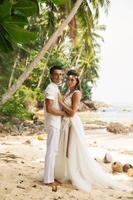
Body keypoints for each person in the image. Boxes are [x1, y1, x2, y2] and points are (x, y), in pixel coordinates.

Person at [54, 69, 132, 193]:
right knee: (66, 150)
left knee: (72, 150)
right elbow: (63, 106)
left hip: (73, 124)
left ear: (77, 81)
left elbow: (73, 112)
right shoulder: (69, 91)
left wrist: (60, 102)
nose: (70, 81)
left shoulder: (77, 93)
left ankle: (77, 174)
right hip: (67, 123)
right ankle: (69, 173)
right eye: (68, 79)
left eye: (72, 79)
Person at [44, 65, 66, 191]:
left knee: (54, 151)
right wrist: (63, 114)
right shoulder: (51, 88)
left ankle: (50, 177)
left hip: (56, 123)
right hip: (53, 123)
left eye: (61, 74)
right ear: (51, 75)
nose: (59, 77)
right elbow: (49, 108)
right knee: (51, 151)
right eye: (56, 74)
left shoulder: (55, 88)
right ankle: (48, 180)